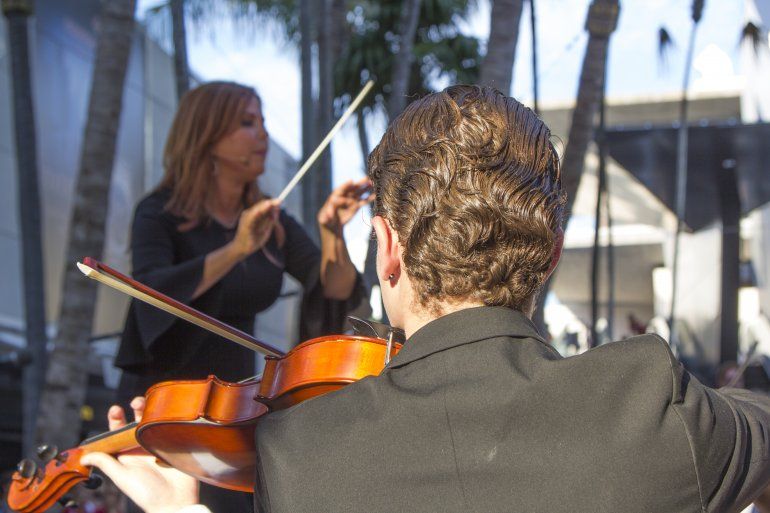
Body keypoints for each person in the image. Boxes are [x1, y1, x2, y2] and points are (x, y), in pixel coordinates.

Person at [84, 85, 770, 513]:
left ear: (385, 248)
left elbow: (334, 290)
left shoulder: (299, 454)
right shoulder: (650, 398)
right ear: (551, 254)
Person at [112, 81, 368, 512]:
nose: (263, 135)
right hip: (163, 400)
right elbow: (153, 295)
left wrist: (332, 234)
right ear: (207, 135)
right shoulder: (159, 213)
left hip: (235, 406)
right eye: (248, 123)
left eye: (264, 123)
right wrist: (237, 249)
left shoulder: (274, 220)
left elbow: (333, 291)